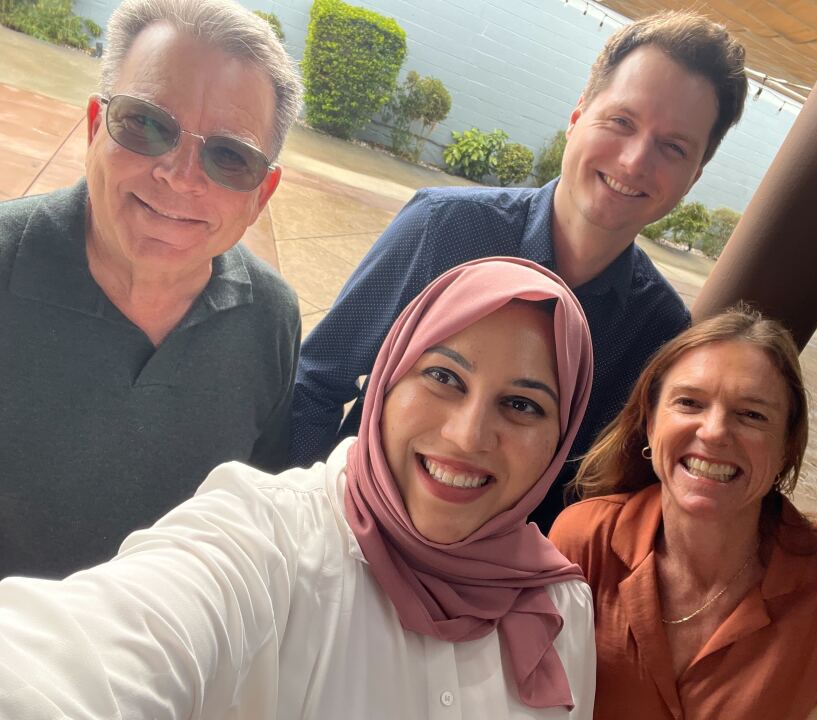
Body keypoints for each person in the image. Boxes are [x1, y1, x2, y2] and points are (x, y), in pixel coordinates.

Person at [0, 258, 597, 720]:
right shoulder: (266, 540)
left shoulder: (564, 609)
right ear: (386, 381)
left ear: (560, 438)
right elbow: (79, 655)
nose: (467, 437)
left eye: (522, 405)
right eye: (442, 376)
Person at [291, 10, 749, 530]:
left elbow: (596, 496)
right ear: (577, 116)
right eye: (621, 122)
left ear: (694, 176)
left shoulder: (660, 330)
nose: (633, 162)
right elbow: (317, 382)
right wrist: (314, 528)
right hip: (356, 529)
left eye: (673, 147)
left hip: (496, 591)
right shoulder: (444, 227)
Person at [0, 0, 303, 578]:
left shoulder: (270, 318)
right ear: (95, 128)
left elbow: (248, 518)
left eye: (230, 157)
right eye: (145, 125)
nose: (180, 176)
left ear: (261, 195)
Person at [549, 307, 817, 719]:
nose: (714, 432)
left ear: (787, 445)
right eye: (690, 402)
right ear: (650, 424)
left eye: (752, 414)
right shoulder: (584, 539)